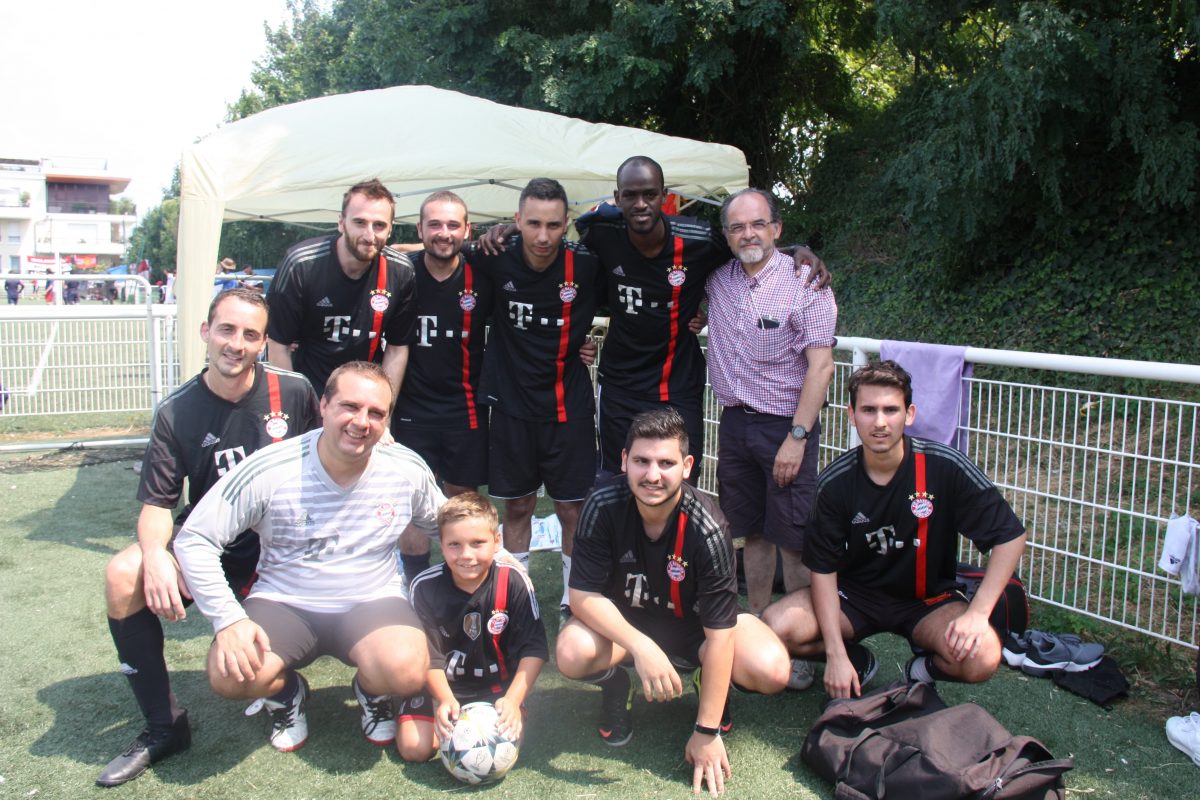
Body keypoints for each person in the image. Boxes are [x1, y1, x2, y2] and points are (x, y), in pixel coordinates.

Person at [482, 156, 831, 482]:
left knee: (680, 482)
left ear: (664, 196)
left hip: (677, 384)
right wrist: (512, 232)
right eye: (631, 195)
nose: (641, 204)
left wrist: (794, 250)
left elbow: (746, 245)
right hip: (620, 385)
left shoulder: (698, 239)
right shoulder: (601, 233)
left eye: (650, 194)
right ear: (617, 198)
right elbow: (552, 246)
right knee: (618, 480)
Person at [97, 288, 320, 787]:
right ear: (205, 332)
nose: (236, 344)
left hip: (284, 549)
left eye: (250, 334)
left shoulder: (294, 391)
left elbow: (333, 454)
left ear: (263, 342)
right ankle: (164, 727)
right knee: (123, 574)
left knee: (243, 666)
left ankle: (289, 685)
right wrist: (156, 555)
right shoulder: (176, 411)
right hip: (212, 547)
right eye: (226, 330)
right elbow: (158, 504)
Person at [174, 361, 446, 753]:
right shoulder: (271, 468)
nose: (361, 422)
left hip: (372, 600)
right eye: (350, 406)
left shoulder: (404, 468)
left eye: (376, 413)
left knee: (405, 670)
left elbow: (449, 526)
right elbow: (195, 538)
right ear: (323, 405)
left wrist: (500, 560)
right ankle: (286, 694)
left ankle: (372, 690)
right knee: (229, 674)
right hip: (285, 601)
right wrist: (228, 619)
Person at [557, 408, 790, 798]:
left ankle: (706, 682)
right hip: (627, 629)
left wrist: (706, 731)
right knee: (571, 651)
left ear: (687, 466)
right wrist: (641, 646)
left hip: (696, 631)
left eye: (665, 463)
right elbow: (581, 596)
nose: (652, 475)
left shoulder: (709, 526)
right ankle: (616, 686)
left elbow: (720, 636)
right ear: (624, 461)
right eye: (642, 461)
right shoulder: (602, 504)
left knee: (771, 669)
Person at [762, 360, 1028, 698]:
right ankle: (857, 661)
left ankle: (921, 670)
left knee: (983, 657)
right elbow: (823, 571)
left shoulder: (944, 467)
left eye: (891, 410)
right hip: (854, 596)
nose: (880, 422)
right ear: (852, 415)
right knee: (776, 626)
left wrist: (978, 613)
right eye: (868, 410)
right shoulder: (835, 483)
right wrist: (836, 654)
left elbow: (1010, 536)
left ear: (909, 414)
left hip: (929, 600)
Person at [704, 188, 837, 656]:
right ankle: (759, 628)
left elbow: (821, 367)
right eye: (737, 227)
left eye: (758, 224)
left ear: (776, 229)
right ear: (726, 235)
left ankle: (799, 643)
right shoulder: (717, 281)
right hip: (735, 425)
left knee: (793, 539)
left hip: (786, 427)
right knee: (752, 534)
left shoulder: (807, 283)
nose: (748, 234)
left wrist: (797, 438)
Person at [468, 178, 603, 613]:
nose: (543, 236)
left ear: (567, 224)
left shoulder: (586, 264)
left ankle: (572, 597)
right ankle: (518, 597)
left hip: (568, 406)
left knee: (571, 509)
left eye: (553, 225)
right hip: (512, 407)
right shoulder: (495, 254)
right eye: (533, 224)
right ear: (517, 221)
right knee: (518, 506)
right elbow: (438, 250)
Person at [396, 492, 548, 761]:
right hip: (442, 686)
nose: (466, 555)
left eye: (477, 543)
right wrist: (444, 699)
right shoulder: (424, 587)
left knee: (503, 744)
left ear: (497, 541)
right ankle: (404, 704)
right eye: (454, 545)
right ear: (441, 544)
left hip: (496, 689)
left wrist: (513, 700)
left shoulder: (513, 580)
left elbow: (534, 648)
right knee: (415, 748)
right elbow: (429, 656)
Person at [389, 191, 493, 583]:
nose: (443, 233)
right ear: (419, 229)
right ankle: (415, 582)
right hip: (411, 408)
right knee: (411, 498)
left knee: (462, 499)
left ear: (467, 229)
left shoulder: (483, 274)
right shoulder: (402, 272)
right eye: (434, 224)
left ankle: (461, 580)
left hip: (464, 407)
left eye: (452, 225)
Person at [266, 178, 417, 398]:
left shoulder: (401, 271)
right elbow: (277, 344)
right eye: (360, 222)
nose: (369, 235)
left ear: (390, 229)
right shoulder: (301, 264)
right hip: (308, 392)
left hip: (365, 397)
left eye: (379, 225)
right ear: (341, 222)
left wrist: (384, 407)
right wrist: (293, 405)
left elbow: (397, 347)